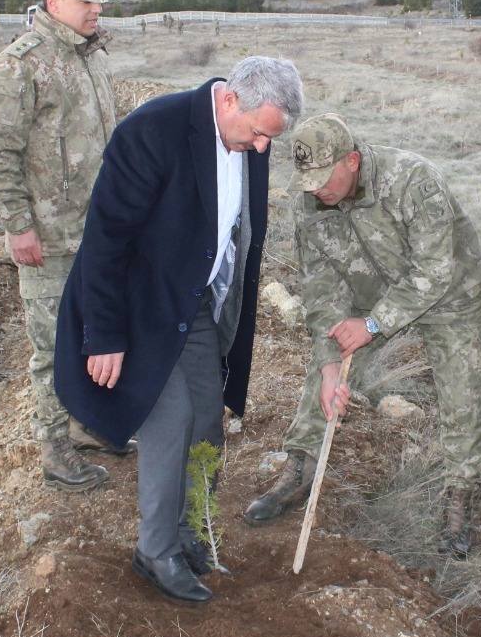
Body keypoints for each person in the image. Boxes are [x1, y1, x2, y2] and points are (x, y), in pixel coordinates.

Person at [54, 56, 303, 604]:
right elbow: (105, 239)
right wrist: (104, 334)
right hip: (138, 308)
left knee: (207, 419)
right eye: (259, 133)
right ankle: (155, 550)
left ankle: (193, 528)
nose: (263, 147)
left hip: (195, 306)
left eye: (271, 138)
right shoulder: (153, 131)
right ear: (230, 99)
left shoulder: (249, 140)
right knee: (172, 419)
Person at [243, 114, 481, 558]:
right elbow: (321, 288)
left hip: (449, 296)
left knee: (462, 392)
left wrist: (375, 324)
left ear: (352, 160)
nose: (316, 190)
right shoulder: (311, 202)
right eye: (307, 180)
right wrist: (329, 364)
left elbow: (435, 271)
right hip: (369, 293)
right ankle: (300, 468)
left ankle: (461, 492)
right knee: (325, 369)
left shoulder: (413, 180)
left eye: (324, 178)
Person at [0, 0, 126, 493]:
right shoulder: (20, 65)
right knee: (52, 346)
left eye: (99, 1)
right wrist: (18, 225)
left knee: (98, 331)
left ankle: (87, 425)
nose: (96, 10)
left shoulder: (94, 56)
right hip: (49, 236)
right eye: (86, 1)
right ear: (53, 0)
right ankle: (56, 451)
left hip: (100, 232)